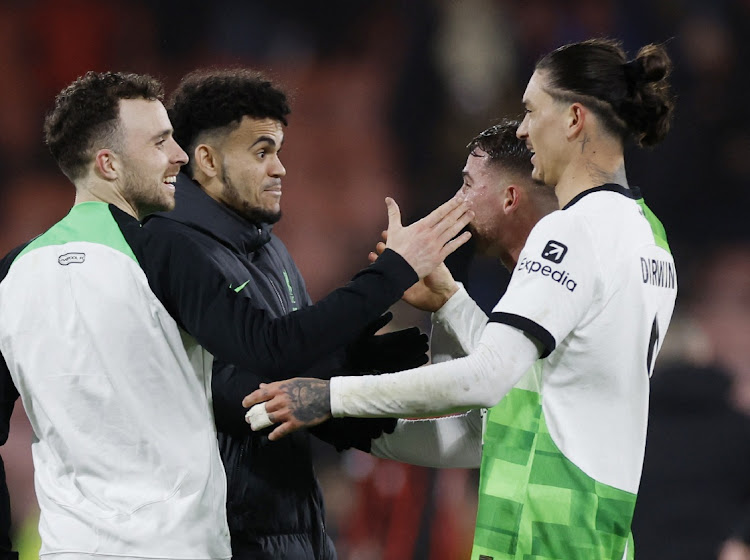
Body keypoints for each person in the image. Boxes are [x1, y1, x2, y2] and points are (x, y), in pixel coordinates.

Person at [0, 71, 473, 558]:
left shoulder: (13, 273)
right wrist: (392, 273)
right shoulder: (164, 250)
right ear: (109, 164)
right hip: (178, 546)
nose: (178, 156)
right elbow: (267, 351)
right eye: (161, 143)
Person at [244, 37, 678, 560]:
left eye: (530, 110)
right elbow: (529, 397)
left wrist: (330, 394)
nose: (521, 128)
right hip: (598, 534)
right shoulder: (649, 237)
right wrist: (450, 300)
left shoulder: (571, 231)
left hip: (540, 540)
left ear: (573, 119)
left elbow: (486, 379)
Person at [142, 67, 430, 560]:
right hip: (224, 534)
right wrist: (342, 371)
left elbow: (285, 371)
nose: (280, 169)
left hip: (291, 524)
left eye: (279, 151)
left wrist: (352, 362)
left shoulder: (267, 248)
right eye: (261, 152)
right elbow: (242, 395)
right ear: (207, 160)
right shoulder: (176, 250)